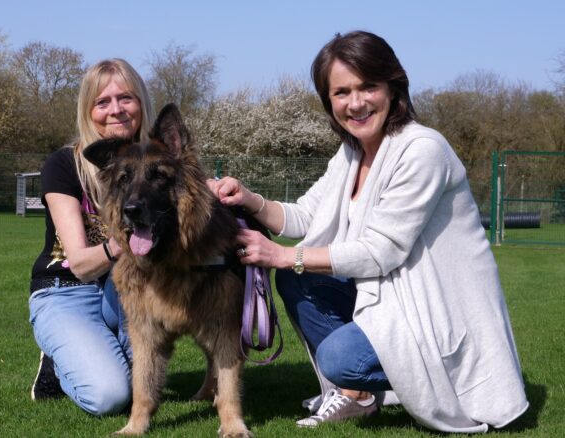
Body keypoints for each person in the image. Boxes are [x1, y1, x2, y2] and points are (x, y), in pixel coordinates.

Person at [208, 31, 528, 433]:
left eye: (368, 87)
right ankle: (356, 396)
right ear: (329, 101)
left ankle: (421, 379)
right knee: (294, 278)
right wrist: (249, 199)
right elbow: (306, 215)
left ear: (394, 88)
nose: (355, 103)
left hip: (435, 311)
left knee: (339, 358)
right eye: (341, 92)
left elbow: (382, 252)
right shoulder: (351, 154)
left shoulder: (422, 150)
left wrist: (282, 255)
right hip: (387, 296)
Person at [28, 58, 155, 415]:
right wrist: (125, 240)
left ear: (142, 103)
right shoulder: (63, 165)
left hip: (126, 284)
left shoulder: (158, 160)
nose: (116, 110)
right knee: (109, 397)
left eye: (126, 98)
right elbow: (81, 265)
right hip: (66, 289)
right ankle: (56, 363)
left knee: (145, 384)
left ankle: (100, 352)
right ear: (89, 110)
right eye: (103, 102)